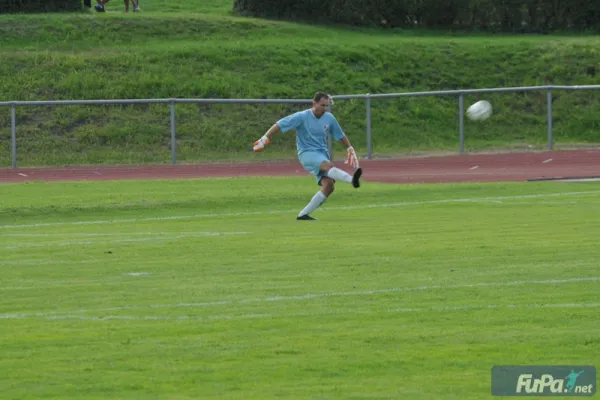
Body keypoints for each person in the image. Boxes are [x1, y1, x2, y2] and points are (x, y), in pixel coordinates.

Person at [253, 91, 362, 220]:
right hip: (307, 154)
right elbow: (280, 124)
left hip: (322, 154)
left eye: (326, 106)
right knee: (329, 166)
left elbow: (340, 134)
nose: (324, 108)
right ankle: (352, 180)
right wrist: (264, 139)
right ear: (314, 103)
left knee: (329, 186)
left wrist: (350, 149)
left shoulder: (329, 118)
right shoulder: (302, 117)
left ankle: (303, 214)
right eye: (322, 105)